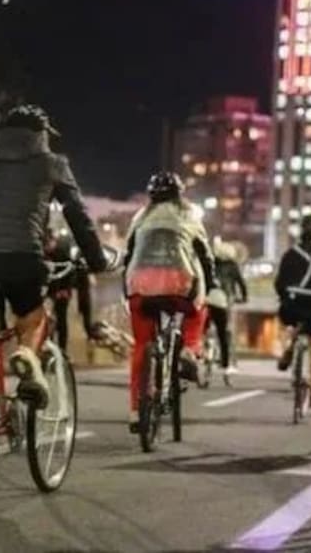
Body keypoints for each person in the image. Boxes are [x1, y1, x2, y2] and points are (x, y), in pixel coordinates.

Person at [0, 105, 110, 415]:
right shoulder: (52, 164)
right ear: (41, 136)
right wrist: (97, 260)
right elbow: (78, 216)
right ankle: (25, 354)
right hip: (19, 259)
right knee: (36, 321)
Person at [123, 171, 215, 431]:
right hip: (180, 285)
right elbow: (206, 257)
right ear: (179, 194)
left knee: (142, 344)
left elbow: (128, 254)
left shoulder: (140, 218)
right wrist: (211, 283)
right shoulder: (189, 216)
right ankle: (189, 347)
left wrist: (126, 288)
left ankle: (134, 410)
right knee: (198, 311)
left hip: (139, 285)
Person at [275, 214, 311, 408]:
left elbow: (280, 283)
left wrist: (285, 298)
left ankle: (290, 347)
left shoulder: (290, 254)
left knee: (287, 320)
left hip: (293, 306)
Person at [45, 230, 101, 347]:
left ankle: (63, 347)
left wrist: (64, 290)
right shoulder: (45, 254)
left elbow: (69, 272)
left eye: (48, 244)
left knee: (63, 316)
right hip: (54, 287)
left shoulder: (63, 253)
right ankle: (50, 344)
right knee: (52, 318)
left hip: (69, 284)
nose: (47, 248)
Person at [207, 239, 248, 376]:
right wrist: (244, 298)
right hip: (224, 300)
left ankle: (201, 349)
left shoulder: (210, 263)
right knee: (223, 332)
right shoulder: (233, 266)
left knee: (203, 326)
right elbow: (241, 284)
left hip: (207, 299)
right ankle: (225, 363)